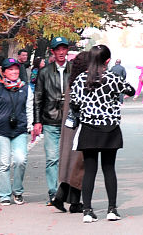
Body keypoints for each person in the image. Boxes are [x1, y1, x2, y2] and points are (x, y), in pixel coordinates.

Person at [70, 44, 135, 223]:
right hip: (110, 129)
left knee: (90, 170)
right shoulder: (113, 78)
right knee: (109, 168)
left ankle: (87, 211)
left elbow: (74, 103)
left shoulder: (81, 79)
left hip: (89, 128)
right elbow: (131, 90)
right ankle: (112, 209)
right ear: (108, 61)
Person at [0, 57, 32, 206]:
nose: (14, 72)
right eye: (10, 69)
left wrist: (30, 126)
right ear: (4, 72)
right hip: (1, 130)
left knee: (20, 160)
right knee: (4, 163)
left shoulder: (25, 88)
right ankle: (4, 194)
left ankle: (17, 191)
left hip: (19, 130)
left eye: (16, 69)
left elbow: (29, 108)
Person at [32, 37, 72, 205]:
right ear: (53, 51)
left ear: (67, 50)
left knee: (69, 158)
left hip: (70, 121)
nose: (61, 52)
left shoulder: (74, 70)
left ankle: (68, 192)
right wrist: (37, 121)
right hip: (50, 120)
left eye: (64, 49)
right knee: (52, 158)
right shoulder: (44, 72)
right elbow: (38, 98)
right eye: (58, 49)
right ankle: (53, 193)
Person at [52, 51, 91, 214]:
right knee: (79, 163)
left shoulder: (72, 81)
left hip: (69, 126)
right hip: (79, 126)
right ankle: (70, 201)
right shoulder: (83, 82)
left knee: (71, 162)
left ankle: (64, 198)